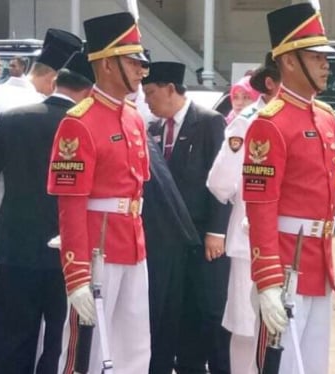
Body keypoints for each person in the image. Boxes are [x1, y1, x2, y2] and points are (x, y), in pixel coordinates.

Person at [0, 52, 93, 374]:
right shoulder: (87, 124)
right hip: (67, 244)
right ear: (88, 90)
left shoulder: (16, 118)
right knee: (58, 336)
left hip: (15, 241)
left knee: (11, 332)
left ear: (56, 82)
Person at [47, 13, 152, 374]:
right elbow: (71, 205)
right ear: (107, 63)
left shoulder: (133, 118)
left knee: (133, 348)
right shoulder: (79, 122)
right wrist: (75, 274)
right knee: (88, 352)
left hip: (132, 243)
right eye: (133, 60)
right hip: (97, 251)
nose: (142, 69)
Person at [242, 2, 335, 373]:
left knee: (313, 365)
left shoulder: (325, 117)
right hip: (286, 264)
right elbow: (261, 206)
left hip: (319, 260)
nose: (325, 64)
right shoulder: (270, 123)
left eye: (325, 57)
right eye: (316, 57)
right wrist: (266, 279)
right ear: (289, 61)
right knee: (279, 365)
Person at [142, 61, 232, 374]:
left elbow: (221, 182)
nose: (148, 101)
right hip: (167, 244)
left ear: (170, 89)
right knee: (169, 313)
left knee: (206, 311)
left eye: (151, 93)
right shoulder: (152, 129)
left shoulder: (209, 122)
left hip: (202, 235)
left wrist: (217, 231)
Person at [206, 53, 281, 374]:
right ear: (270, 82)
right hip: (250, 238)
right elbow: (220, 183)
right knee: (247, 328)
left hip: (289, 236)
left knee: (282, 330)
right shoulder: (247, 121)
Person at [143, 110, 202, 374]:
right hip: (167, 236)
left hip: (161, 238)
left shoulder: (135, 128)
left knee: (157, 320)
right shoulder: (148, 128)